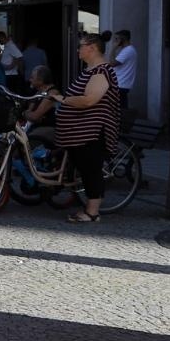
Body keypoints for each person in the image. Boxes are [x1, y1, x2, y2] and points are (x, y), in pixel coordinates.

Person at [52, 31, 122, 224]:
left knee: (91, 169)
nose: (78, 50)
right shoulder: (91, 71)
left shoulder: (101, 72)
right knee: (85, 168)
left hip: (91, 133)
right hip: (80, 133)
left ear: (91, 48)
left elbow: (90, 100)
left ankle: (92, 213)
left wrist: (63, 99)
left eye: (80, 46)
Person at [111, 29, 137, 112]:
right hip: (121, 84)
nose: (115, 41)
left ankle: (122, 124)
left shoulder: (128, 50)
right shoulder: (127, 50)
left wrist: (113, 49)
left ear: (122, 39)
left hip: (121, 84)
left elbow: (112, 63)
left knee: (120, 111)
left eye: (116, 39)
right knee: (121, 109)